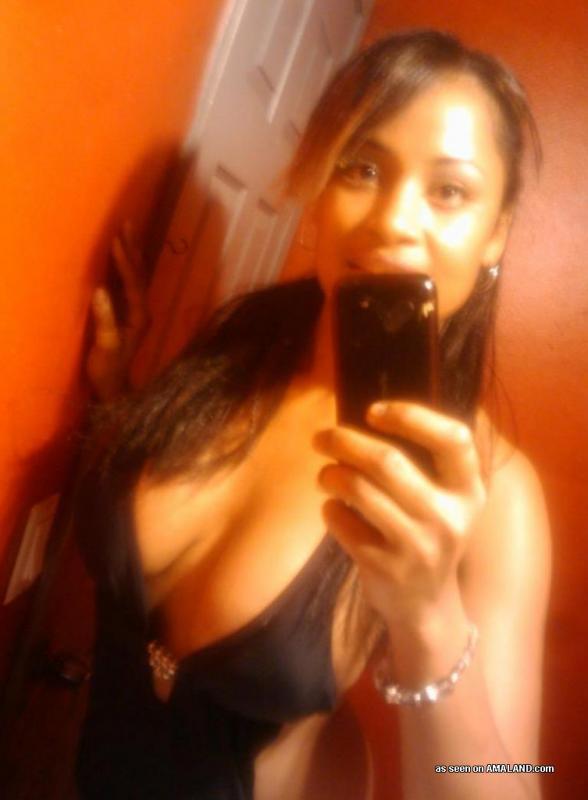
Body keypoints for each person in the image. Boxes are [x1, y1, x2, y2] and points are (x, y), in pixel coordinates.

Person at [75, 29, 551, 800]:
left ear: (494, 234)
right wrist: (115, 388)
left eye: (449, 191)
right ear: (320, 189)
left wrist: (427, 614)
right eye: (362, 167)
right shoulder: (241, 344)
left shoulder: (495, 496)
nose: (392, 220)